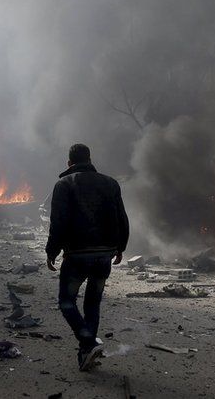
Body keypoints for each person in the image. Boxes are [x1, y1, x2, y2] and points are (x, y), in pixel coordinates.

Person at [46, 143, 130, 371]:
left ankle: (87, 342)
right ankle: (87, 353)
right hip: (104, 255)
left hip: (78, 256)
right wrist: (121, 247)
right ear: (89, 159)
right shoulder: (110, 183)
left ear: (69, 163)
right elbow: (122, 218)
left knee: (66, 301)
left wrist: (51, 251)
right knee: (93, 302)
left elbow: (59, 223)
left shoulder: (63, 184)